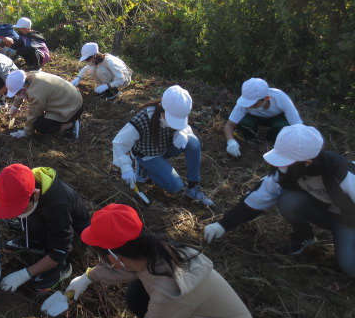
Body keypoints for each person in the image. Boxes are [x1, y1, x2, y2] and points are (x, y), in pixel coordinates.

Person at [63, 203, 255, 318]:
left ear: (113, 258)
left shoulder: (169, 291)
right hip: (197, 313)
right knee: (138, 293)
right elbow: (129, 269)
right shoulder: (155, 252)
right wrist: (89, 276)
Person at [204, 124, 355, 277]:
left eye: (286, 161)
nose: (279, 166)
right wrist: (223, 224)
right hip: (322, 211)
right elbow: (259, 197)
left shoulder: (343, 174)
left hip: (349, 220)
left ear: (307, 162)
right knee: (288, 200)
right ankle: (304, 237)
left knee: (350, 267)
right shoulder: (287, 171)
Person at [0, 163, 89, 292]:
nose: (17, 214)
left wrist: (24, 274)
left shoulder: (58, 206)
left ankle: (63, 267)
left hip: (74, 237)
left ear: (35, 194)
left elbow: (61, 249)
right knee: (29, 216)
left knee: (57, 249)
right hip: (44, 217)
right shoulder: (15, 181)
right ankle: (34, 241)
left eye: (20, 209)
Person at [112, 85, 213, 205]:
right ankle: (144, 168)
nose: (174, 124)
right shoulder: (143, 118)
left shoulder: (178, 109)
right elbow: (119, 142)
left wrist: (182, 132)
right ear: (162, 108)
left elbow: (185, 128)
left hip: (163, 147)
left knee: (193, 141)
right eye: (172, 119)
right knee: (175, 186)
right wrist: (125, 166)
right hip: (147, 154)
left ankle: (193, 186)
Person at [224, 78, 303, 158]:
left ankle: (272, 139)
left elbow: (297, 125)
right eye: (247, 103)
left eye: (254, 104)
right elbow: (229, 125)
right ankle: (251, 139)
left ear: (266, 99)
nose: (249, 106)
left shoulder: (280, 97)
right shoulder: (244, 102)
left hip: (276, 118)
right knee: (244, 122)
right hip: (254, 118)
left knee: (283, 126)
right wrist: (230, 141)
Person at [5, 69, 83, 139]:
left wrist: (27, 132)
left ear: (23, 89)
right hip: (73, 99)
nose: (17, 95)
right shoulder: (30, 76)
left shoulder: (36, 94)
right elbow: (20, 89)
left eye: (17, 93)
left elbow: (34, 115)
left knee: (40, 125)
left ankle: (70, 125)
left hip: (72, 110)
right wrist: (15, 106)